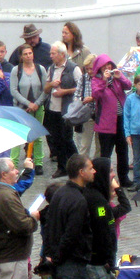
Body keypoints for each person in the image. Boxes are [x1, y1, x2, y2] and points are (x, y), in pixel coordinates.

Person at [91, 54, 132, 186]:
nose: (108, 67)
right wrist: (104, 80)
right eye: (105, 66)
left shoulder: (116, 78)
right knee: (106, 154)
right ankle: (104, 179)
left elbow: (129, 86)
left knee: (122, 150)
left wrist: (121, 77)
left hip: (121, 120)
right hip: (106, 123)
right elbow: (96, 94)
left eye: (109, 65)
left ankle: (124, 178)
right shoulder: (96, 80)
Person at [43, 42, 82, 178]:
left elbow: (80, 88)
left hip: (67, 109)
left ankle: (79, 164)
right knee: (56, 139)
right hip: (53, 109)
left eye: (53, 53)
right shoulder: (51, 69)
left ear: (62, 54)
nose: (51, 56)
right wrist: (51, 85)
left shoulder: (73, 68)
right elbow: (46, 89)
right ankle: (62, 166)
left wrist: (64, 91)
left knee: (67, 139)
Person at [10, 44, 48, 173]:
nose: (28, 56)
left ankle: (38, 163)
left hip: (38, 107)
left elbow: (45, 89)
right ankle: (13, 162)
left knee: (37, 135)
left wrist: (37, 103)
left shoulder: (40, 69)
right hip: (21, 109)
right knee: (19, 135)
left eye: (30, 53)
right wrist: (27, 103)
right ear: (21, 56)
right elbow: (14, 90)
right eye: (25, 54)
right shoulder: (16, 70)